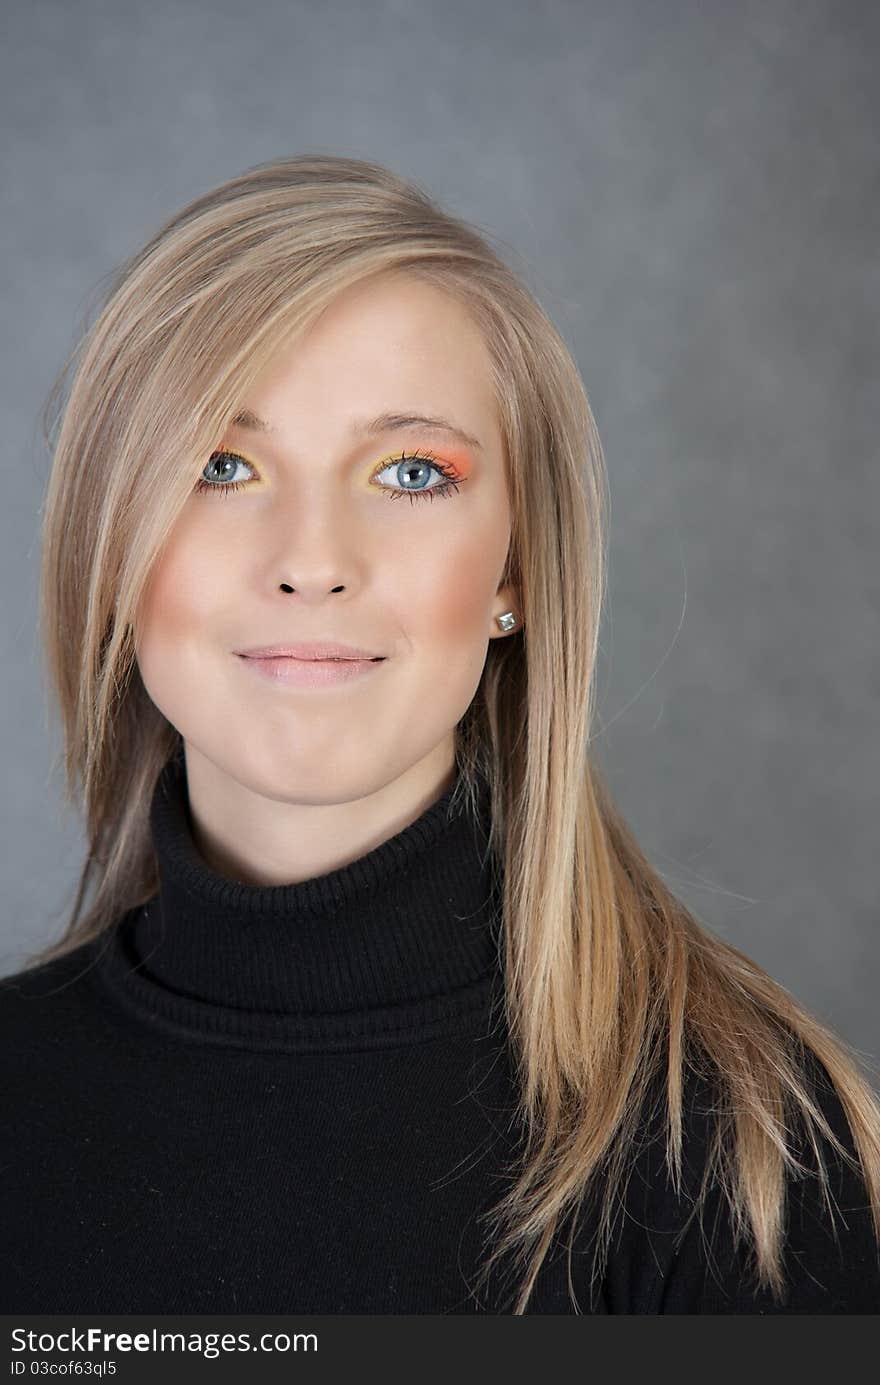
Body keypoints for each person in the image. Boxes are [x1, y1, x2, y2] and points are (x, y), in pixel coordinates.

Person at [2, 154, 879, 1315]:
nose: (312, 560)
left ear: (514, 567)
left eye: (410, 471)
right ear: (110, 543)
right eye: (222, 464)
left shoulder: (749, 1154)